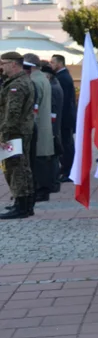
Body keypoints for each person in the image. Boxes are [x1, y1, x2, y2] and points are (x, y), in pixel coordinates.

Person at [0, 52, 36, 219]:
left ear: (14, 64)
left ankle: (21, 206)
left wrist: (4, 135)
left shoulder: (17, 85)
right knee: (21, 166)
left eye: (4, 63)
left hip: (15, 132)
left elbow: (12, 113)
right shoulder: (18, 81)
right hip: (20, 131)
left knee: (16, 168)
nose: (1, 67)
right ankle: (24, 204)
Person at [23, 54, 54, 202]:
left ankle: (41, 190)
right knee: (42, 159)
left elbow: (33, 107)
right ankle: (42, 190)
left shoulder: (34, 80)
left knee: (38, 160)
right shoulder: (42, 78)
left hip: (37, 125)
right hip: (44, 124)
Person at [50, 54, 75, 183]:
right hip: (65, 116)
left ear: (59, 63)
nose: (51, 65)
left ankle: (69, 170)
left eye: (52, 62)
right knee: (66, 143)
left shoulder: (62, 78)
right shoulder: (62, 76)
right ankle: (66, 168)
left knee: (66, 144)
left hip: (65, 117)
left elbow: (63, 101)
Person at [40, 64, 64, 193]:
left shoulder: (53, 88)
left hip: (52, 127)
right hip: (54, 126)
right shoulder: (55, 85)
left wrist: (52, 128)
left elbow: (53, 110)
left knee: (53, 156)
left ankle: (54, 182)